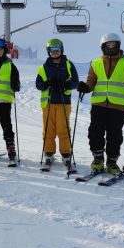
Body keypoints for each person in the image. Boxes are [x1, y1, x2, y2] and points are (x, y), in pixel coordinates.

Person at [77, 33, 124, 175]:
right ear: (103, 47)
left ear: (118, 46)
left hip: (118, 106)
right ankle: (98, 159)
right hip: (99, 104)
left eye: (114, 45)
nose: (111, 47)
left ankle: (112, 161)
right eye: (108, 45)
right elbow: (91, 82)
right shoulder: (96, 63)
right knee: (95, 132)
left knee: (115, 135)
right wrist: (86, 88)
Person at [35, 38, 79, 172]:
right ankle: (49, 153)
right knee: (49, 129)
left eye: (57, 50)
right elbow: (38, 84)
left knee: (63, 128)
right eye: (52, 50)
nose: (55, 52)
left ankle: (66, 154)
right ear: (48, 52)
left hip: (63, 102)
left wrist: (64, 85)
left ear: (61, 50)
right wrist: (48, 83)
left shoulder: (68, 65)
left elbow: (75, 82)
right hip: (48, 103)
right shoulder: (44, 67)